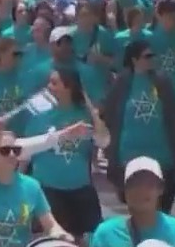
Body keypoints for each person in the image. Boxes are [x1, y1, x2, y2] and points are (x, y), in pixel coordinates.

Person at [100, 40, 175, 213]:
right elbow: (109, 112)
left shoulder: (161, 81)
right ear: (134, 59)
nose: (152, 60)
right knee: (137, 208)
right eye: (147, 56)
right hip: (130, 154)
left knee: (163, 207)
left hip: (161, 155)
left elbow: (174, 113)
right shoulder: (123, 81)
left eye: (153, 56)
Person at [23, 67, 110, 242]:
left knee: (86, 239)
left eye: (54, 83)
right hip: (50, 189)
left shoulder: (84, 116)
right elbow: (26, 152)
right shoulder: (40, 115)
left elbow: (104, 141)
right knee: (57, 240)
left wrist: (92, 111)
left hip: (80, 188)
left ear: (68, 87)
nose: (49, 86)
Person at [0, 124, 73, 245]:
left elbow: (51, 225)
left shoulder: (31, 186)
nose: (12, 155)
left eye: (16, 150)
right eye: (5, 150)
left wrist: (61, 235)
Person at [88, 157, 175, 247]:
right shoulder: (106, 234)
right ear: (124, 190)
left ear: (160, 189)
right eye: (134, 184)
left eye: (149, 184)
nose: (141, 190)